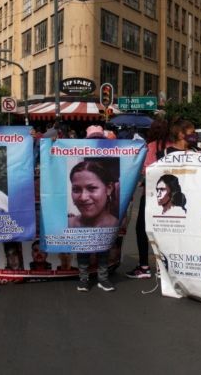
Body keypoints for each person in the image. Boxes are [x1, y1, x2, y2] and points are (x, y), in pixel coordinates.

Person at [125, 118, 170, 280]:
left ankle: (144, 266)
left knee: (142, 229)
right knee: (163, 231)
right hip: (169, 197)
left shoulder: (149, 147)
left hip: (150, 195)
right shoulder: (172, 149)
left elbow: (145, 171)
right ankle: (162, 267)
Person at [74, 126, 117, 293]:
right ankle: (84, 278)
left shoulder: (111, 160)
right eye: (77, 189)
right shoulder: (80, 159)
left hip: (107, 213)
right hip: (86, 219)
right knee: (83, 244)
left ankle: (102, 278)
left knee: (104, 243)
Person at [68, 158, 119, 228]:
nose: (83, 197)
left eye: (91, 188)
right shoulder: (66, 224)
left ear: (108, 189)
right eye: (76, 189)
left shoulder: (118, 227)